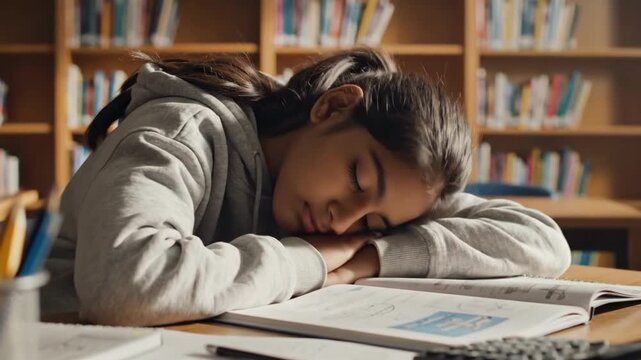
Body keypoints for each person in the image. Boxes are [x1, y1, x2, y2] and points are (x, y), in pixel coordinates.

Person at [44, 49, 570, 326]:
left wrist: (368, 255)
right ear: (333, 107)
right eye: (358, 178)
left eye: (372, 221)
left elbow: (541, 242)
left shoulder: (383, 193)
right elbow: (130, 287)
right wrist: (315, 259)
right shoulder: (184, 130)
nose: (342, 222)